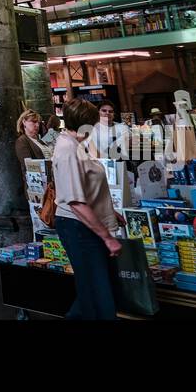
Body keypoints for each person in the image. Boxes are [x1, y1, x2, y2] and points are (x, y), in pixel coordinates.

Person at [52, 98, 121, 320]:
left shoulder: (77, 146)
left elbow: (87, 189)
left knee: (93, 288)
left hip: (86, 224)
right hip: (78, 227)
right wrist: (107, 237)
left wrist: (110, 212)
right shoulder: (67, 150)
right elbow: (75, 201)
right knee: (96, 290)